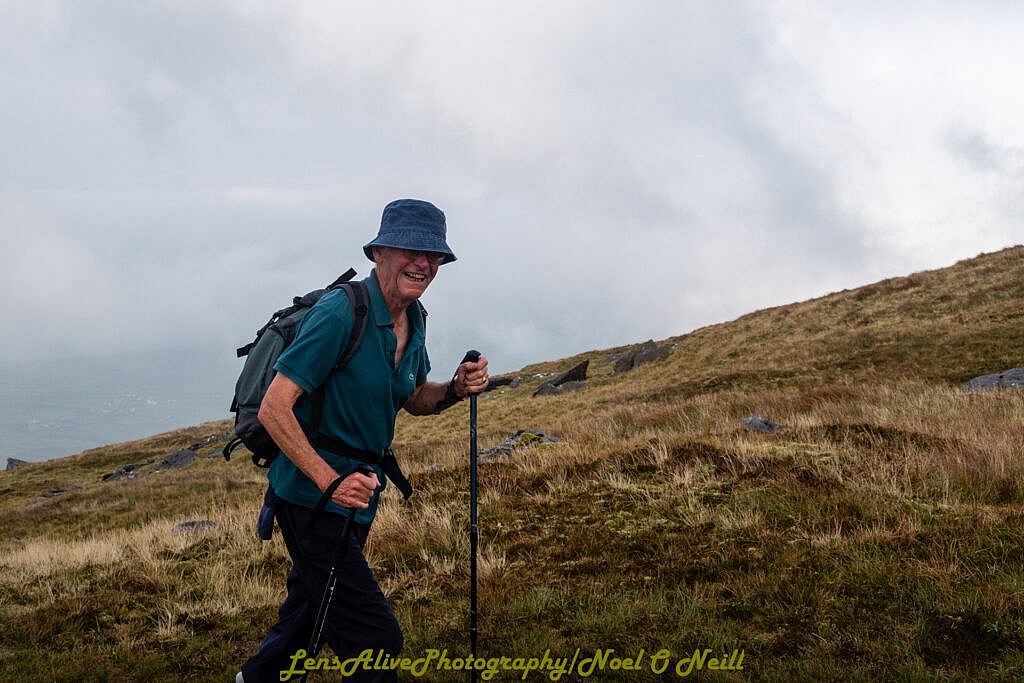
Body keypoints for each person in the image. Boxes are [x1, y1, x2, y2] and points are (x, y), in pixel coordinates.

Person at [238, 199, 489, 683]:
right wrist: (330, 482)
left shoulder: (414, 319)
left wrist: (456, 389)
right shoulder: (340, 312)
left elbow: (412, 395)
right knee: (375, 641)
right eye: (410, 251)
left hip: (357, 497)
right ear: (378, 253)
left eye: (433, 256)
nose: (423, 263)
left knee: (309, 612)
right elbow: (274, 407)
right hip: (313, 499)